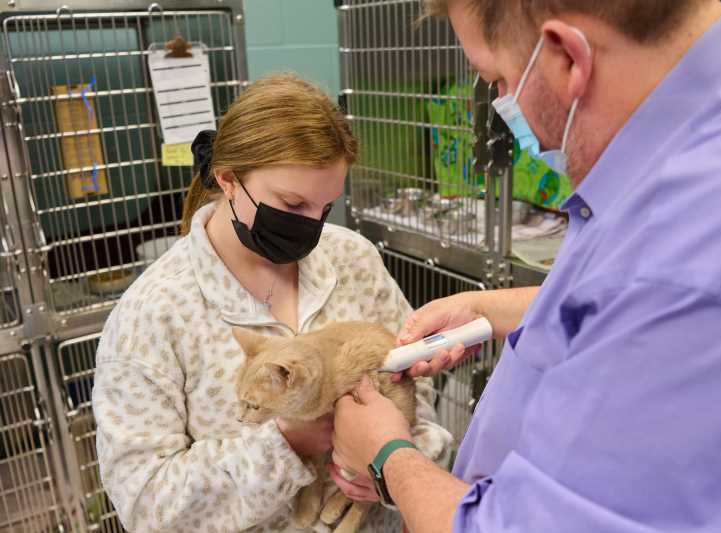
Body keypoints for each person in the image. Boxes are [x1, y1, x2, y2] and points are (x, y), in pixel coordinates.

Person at [332, 0, 721, 531]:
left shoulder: (699, 249)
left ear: (567, 58)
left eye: (499, 80)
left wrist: (387, 453)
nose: (504, 104)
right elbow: (630, 301)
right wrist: (490, 308)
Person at [92, 73, 452, 533]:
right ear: (227, 179)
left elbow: (417, 394)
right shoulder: (155, 315)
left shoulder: (351, 259)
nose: (310, 227)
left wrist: (396, 469)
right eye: (292, 203)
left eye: (324, 209)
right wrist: (286, 442)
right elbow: (146, 504)